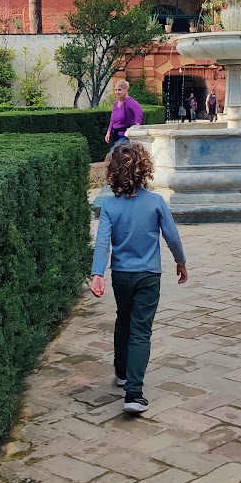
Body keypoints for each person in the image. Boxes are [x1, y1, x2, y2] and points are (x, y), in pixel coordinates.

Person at [90, 142, 188, 415]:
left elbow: (102, 243)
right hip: (148, 275)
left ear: (113, 173)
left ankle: (121, 372)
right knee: (140, 330)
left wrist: (98, 273)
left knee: (123, 318)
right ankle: (134, 392)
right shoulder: (155, 202)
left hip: (121, 275)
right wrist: (180, 262)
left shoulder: (110, 206)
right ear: (145, 170)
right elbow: (172, 237)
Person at [105, 79, 144, 147]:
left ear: (125, 90)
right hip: (116, 135)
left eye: (119, 89)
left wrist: (137, 124)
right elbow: (112, 120)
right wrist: (108, 132)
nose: (117, 92)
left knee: (114, 153)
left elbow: (139, 111)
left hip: (125, 135)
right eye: (115, 90)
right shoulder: (115, 104)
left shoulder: (129, 101)